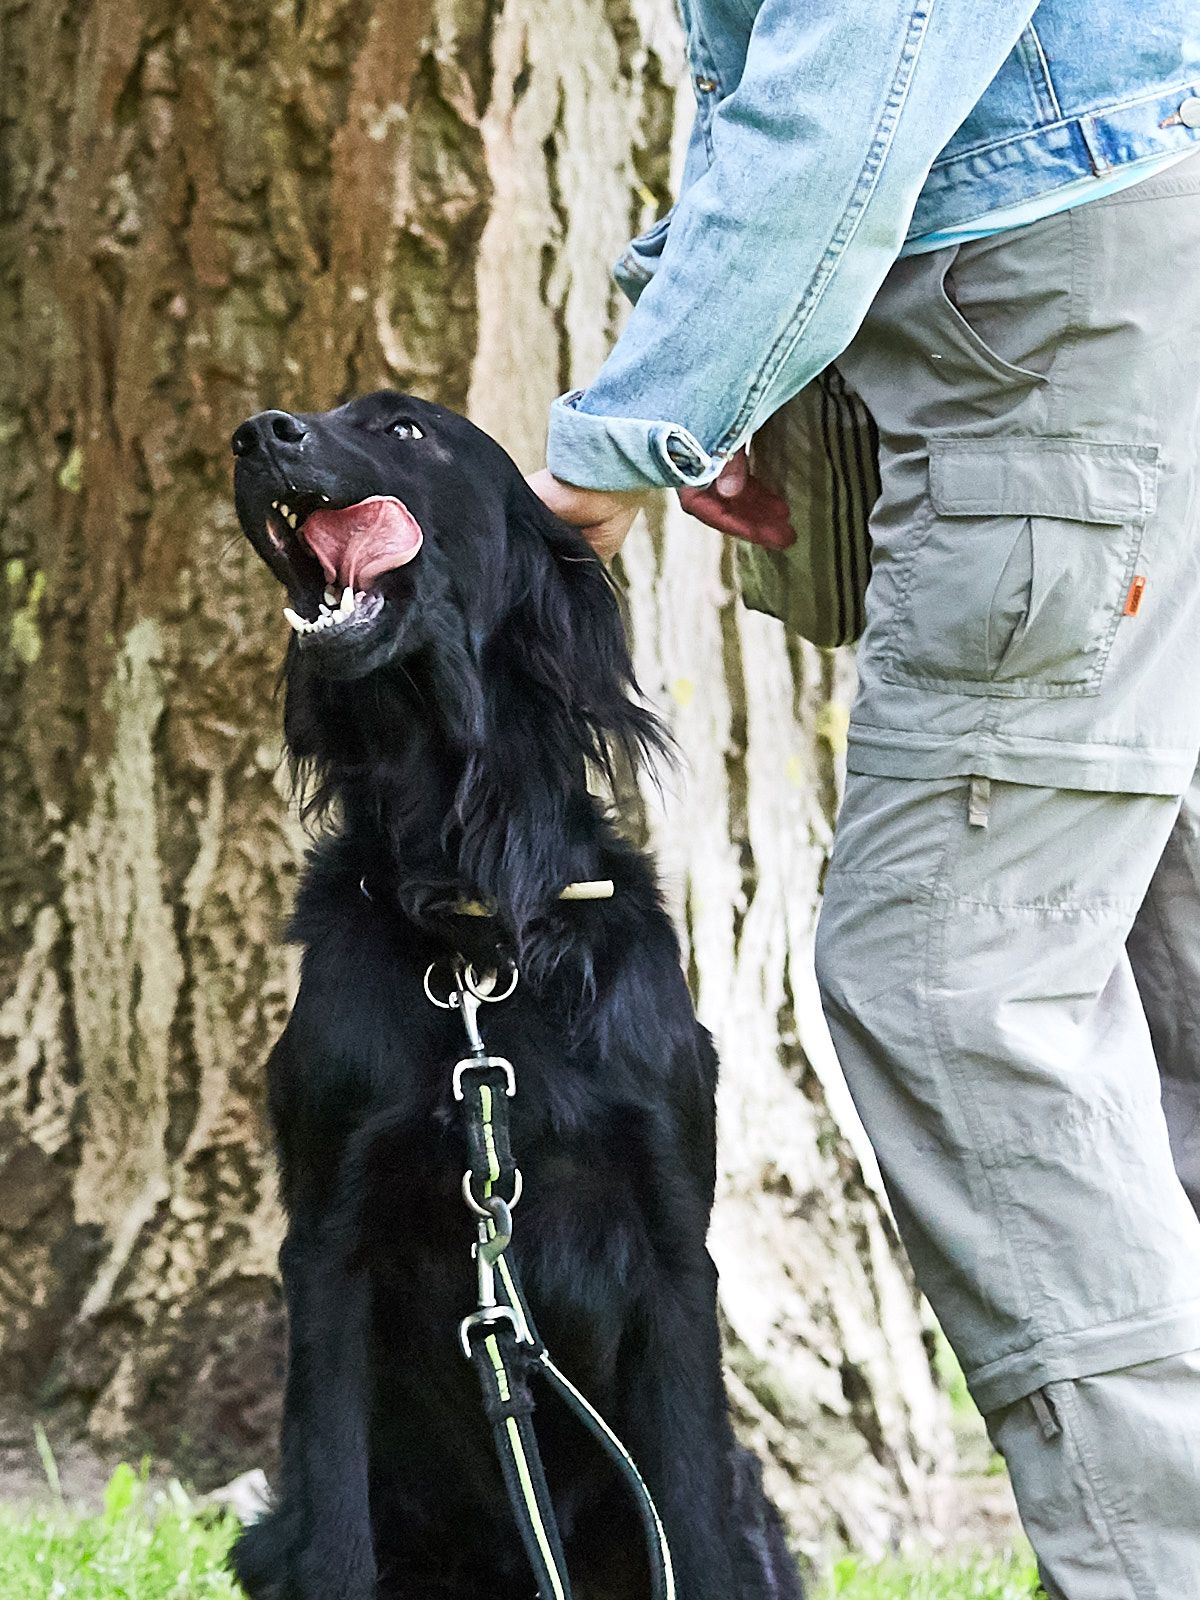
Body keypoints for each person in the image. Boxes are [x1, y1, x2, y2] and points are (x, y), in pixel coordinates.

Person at [527, 5, 1200, 1595]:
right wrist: (757, 351)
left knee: (952, 974)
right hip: (1113, 278)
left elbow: (853, 82)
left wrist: (644, 419)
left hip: (1056, 315)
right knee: (1168, 959)